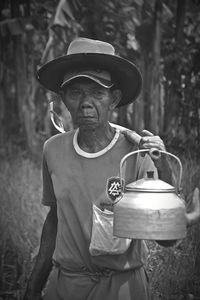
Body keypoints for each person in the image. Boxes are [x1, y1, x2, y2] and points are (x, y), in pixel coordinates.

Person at [24, 38, 200, 300]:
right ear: (64, 99)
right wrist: (33, 288)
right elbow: (55, 217)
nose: (85, 103)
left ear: (114, 99)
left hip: (122, 288)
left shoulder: (135, 154)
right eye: (76, 93)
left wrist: (164, 168)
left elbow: (166, 239)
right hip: (67, 286)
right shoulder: (53, 150)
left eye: (97, 93)